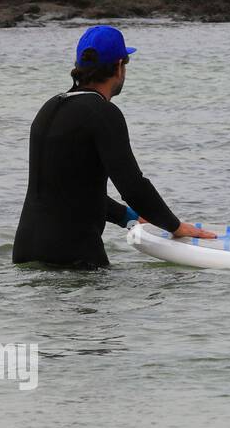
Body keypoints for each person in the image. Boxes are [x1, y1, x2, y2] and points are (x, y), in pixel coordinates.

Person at [12, 26, 215, 268]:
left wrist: (129, 218)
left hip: (25, 251)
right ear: (119, 66)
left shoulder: (48, 109)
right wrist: (175, 226)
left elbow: (65, 190)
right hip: (74, 256)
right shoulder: (103, 113)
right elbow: (132, 185)